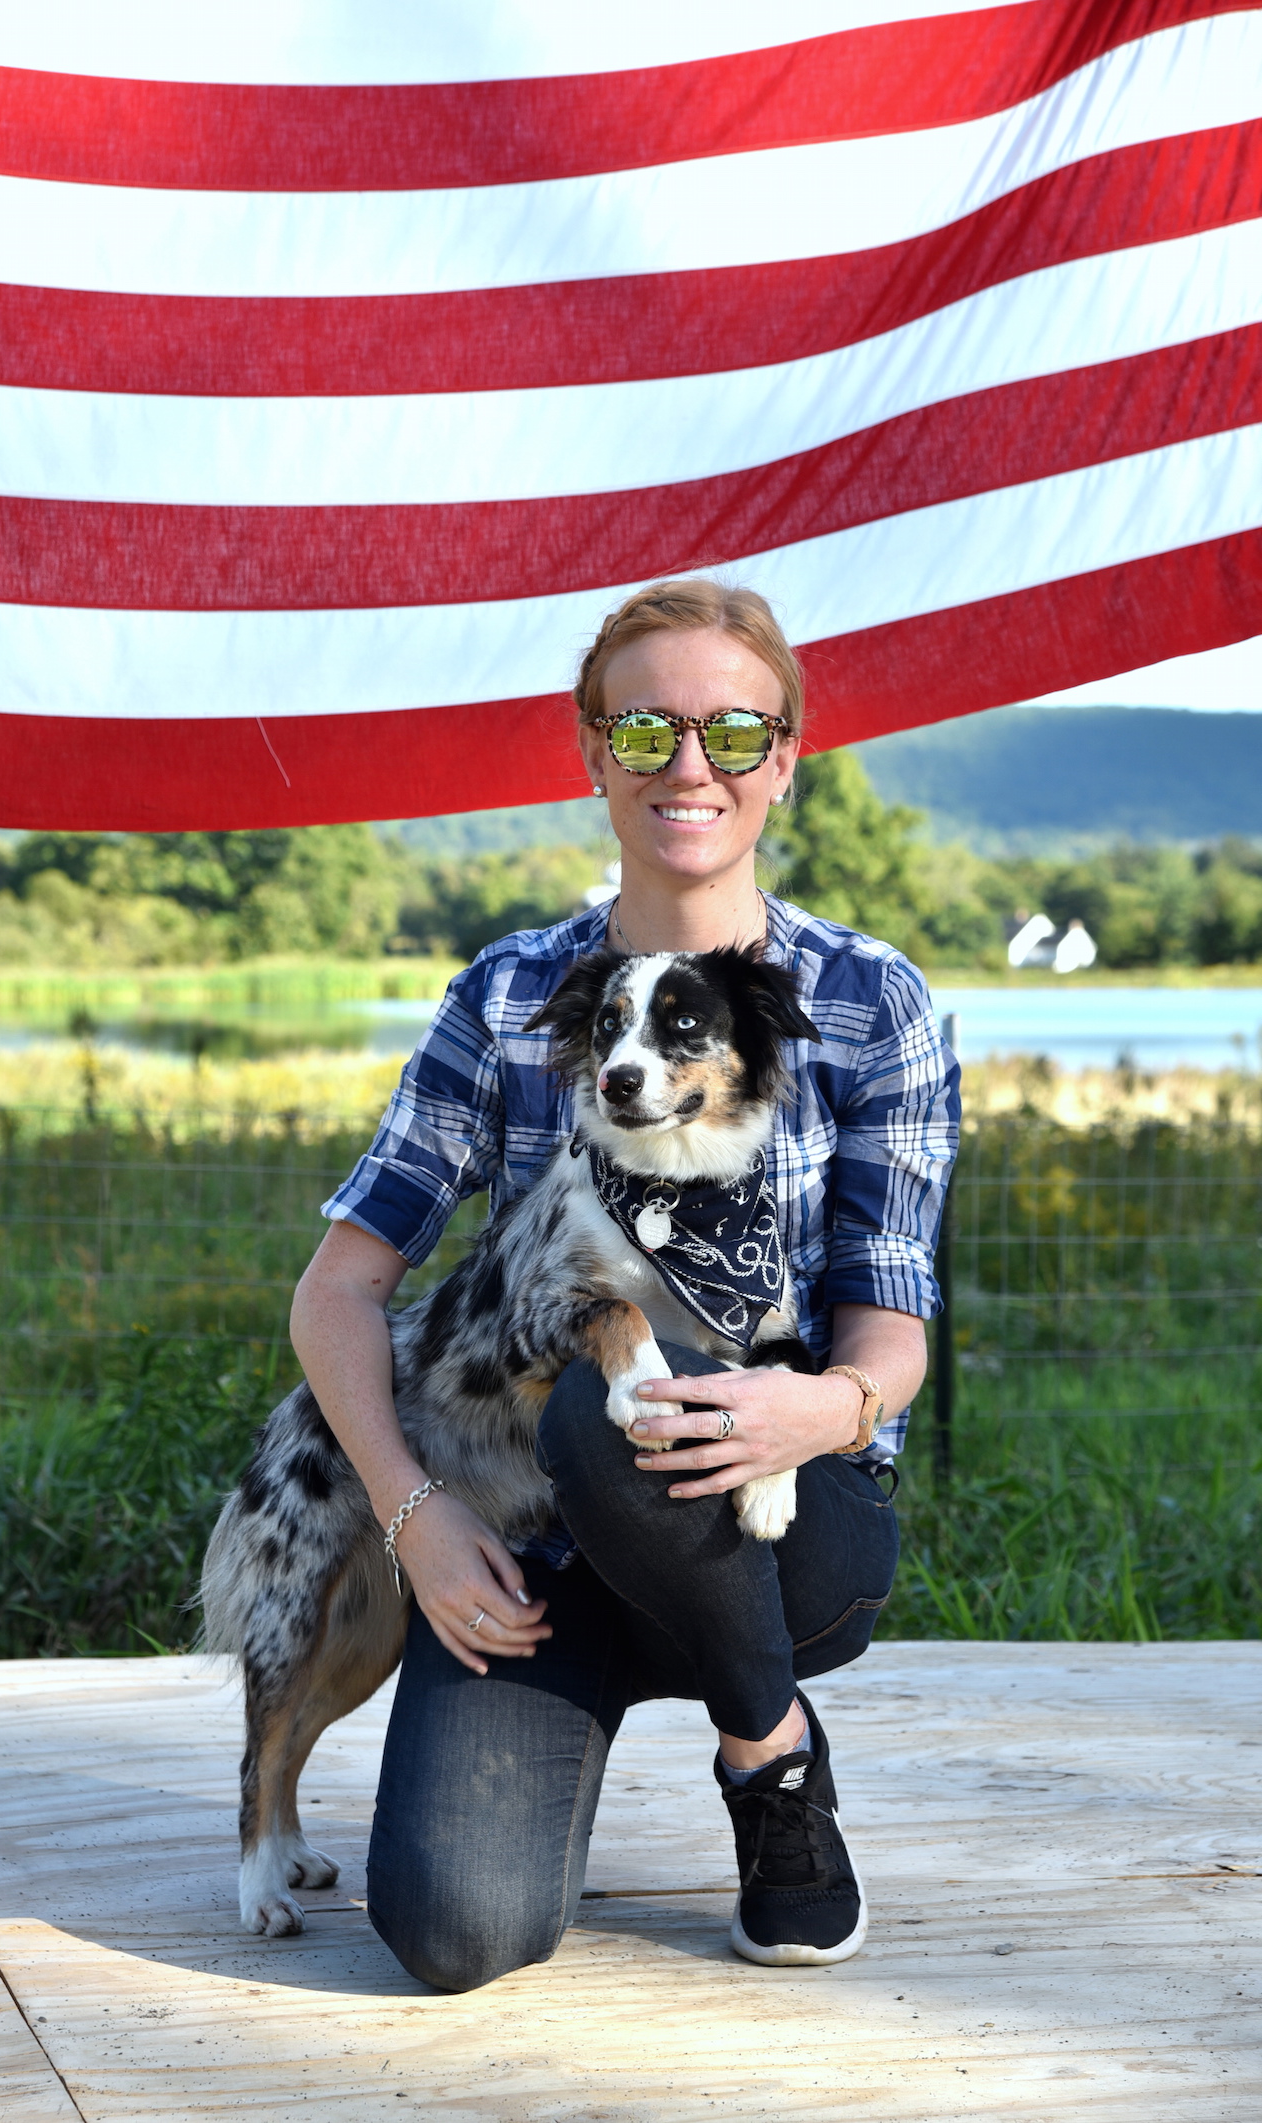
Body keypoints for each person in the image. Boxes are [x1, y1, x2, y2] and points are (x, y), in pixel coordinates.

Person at [292, 579, 959, 1990]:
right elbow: (336, 1291)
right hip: (535, 1558)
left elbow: (891, 1332)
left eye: (732, 729)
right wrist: (411, 1518)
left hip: (785, 1527)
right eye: (646, 730)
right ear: (592, 752)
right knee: (453, 1932)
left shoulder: (868, 1000)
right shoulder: (509, 992)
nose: (689, 767)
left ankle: (767, 1758)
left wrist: (819, 1412)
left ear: (783, 757)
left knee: (622, 1404)